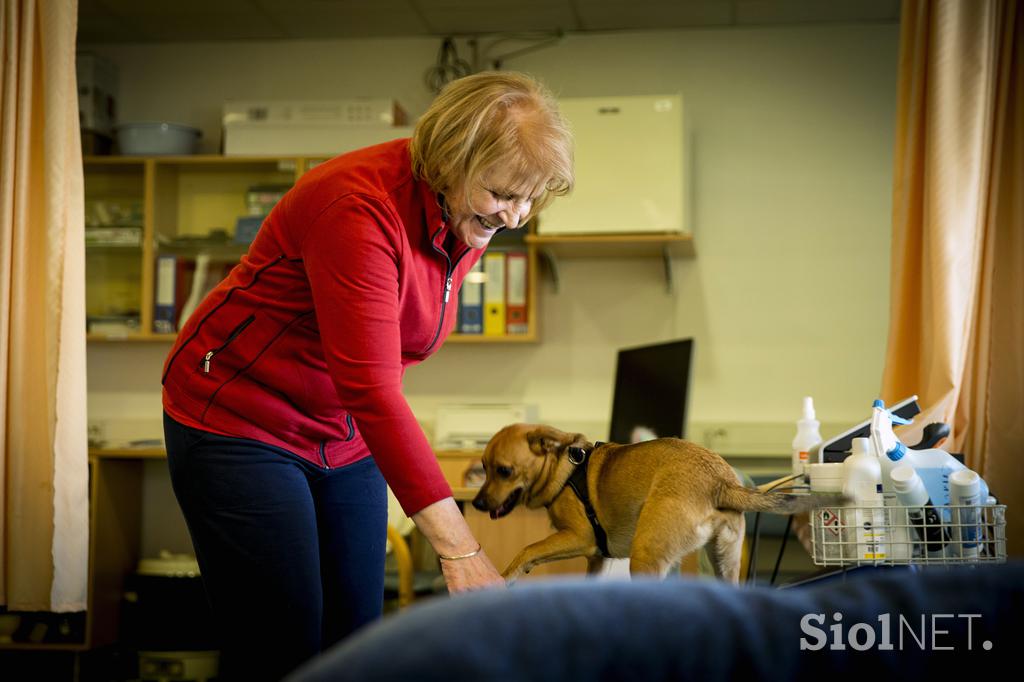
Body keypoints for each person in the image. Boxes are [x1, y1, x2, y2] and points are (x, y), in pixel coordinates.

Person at [160, 71, 574, 681]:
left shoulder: (467, 210)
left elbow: (379, 368)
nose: (516, 215)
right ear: (449, 160)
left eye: (530, 197)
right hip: (241, 418)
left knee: (355, 635)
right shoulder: (358, 207)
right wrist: (459, 551)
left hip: (340, 428)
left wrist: (494, 205)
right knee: (283, 644)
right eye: (501, 194)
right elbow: (374, 390)